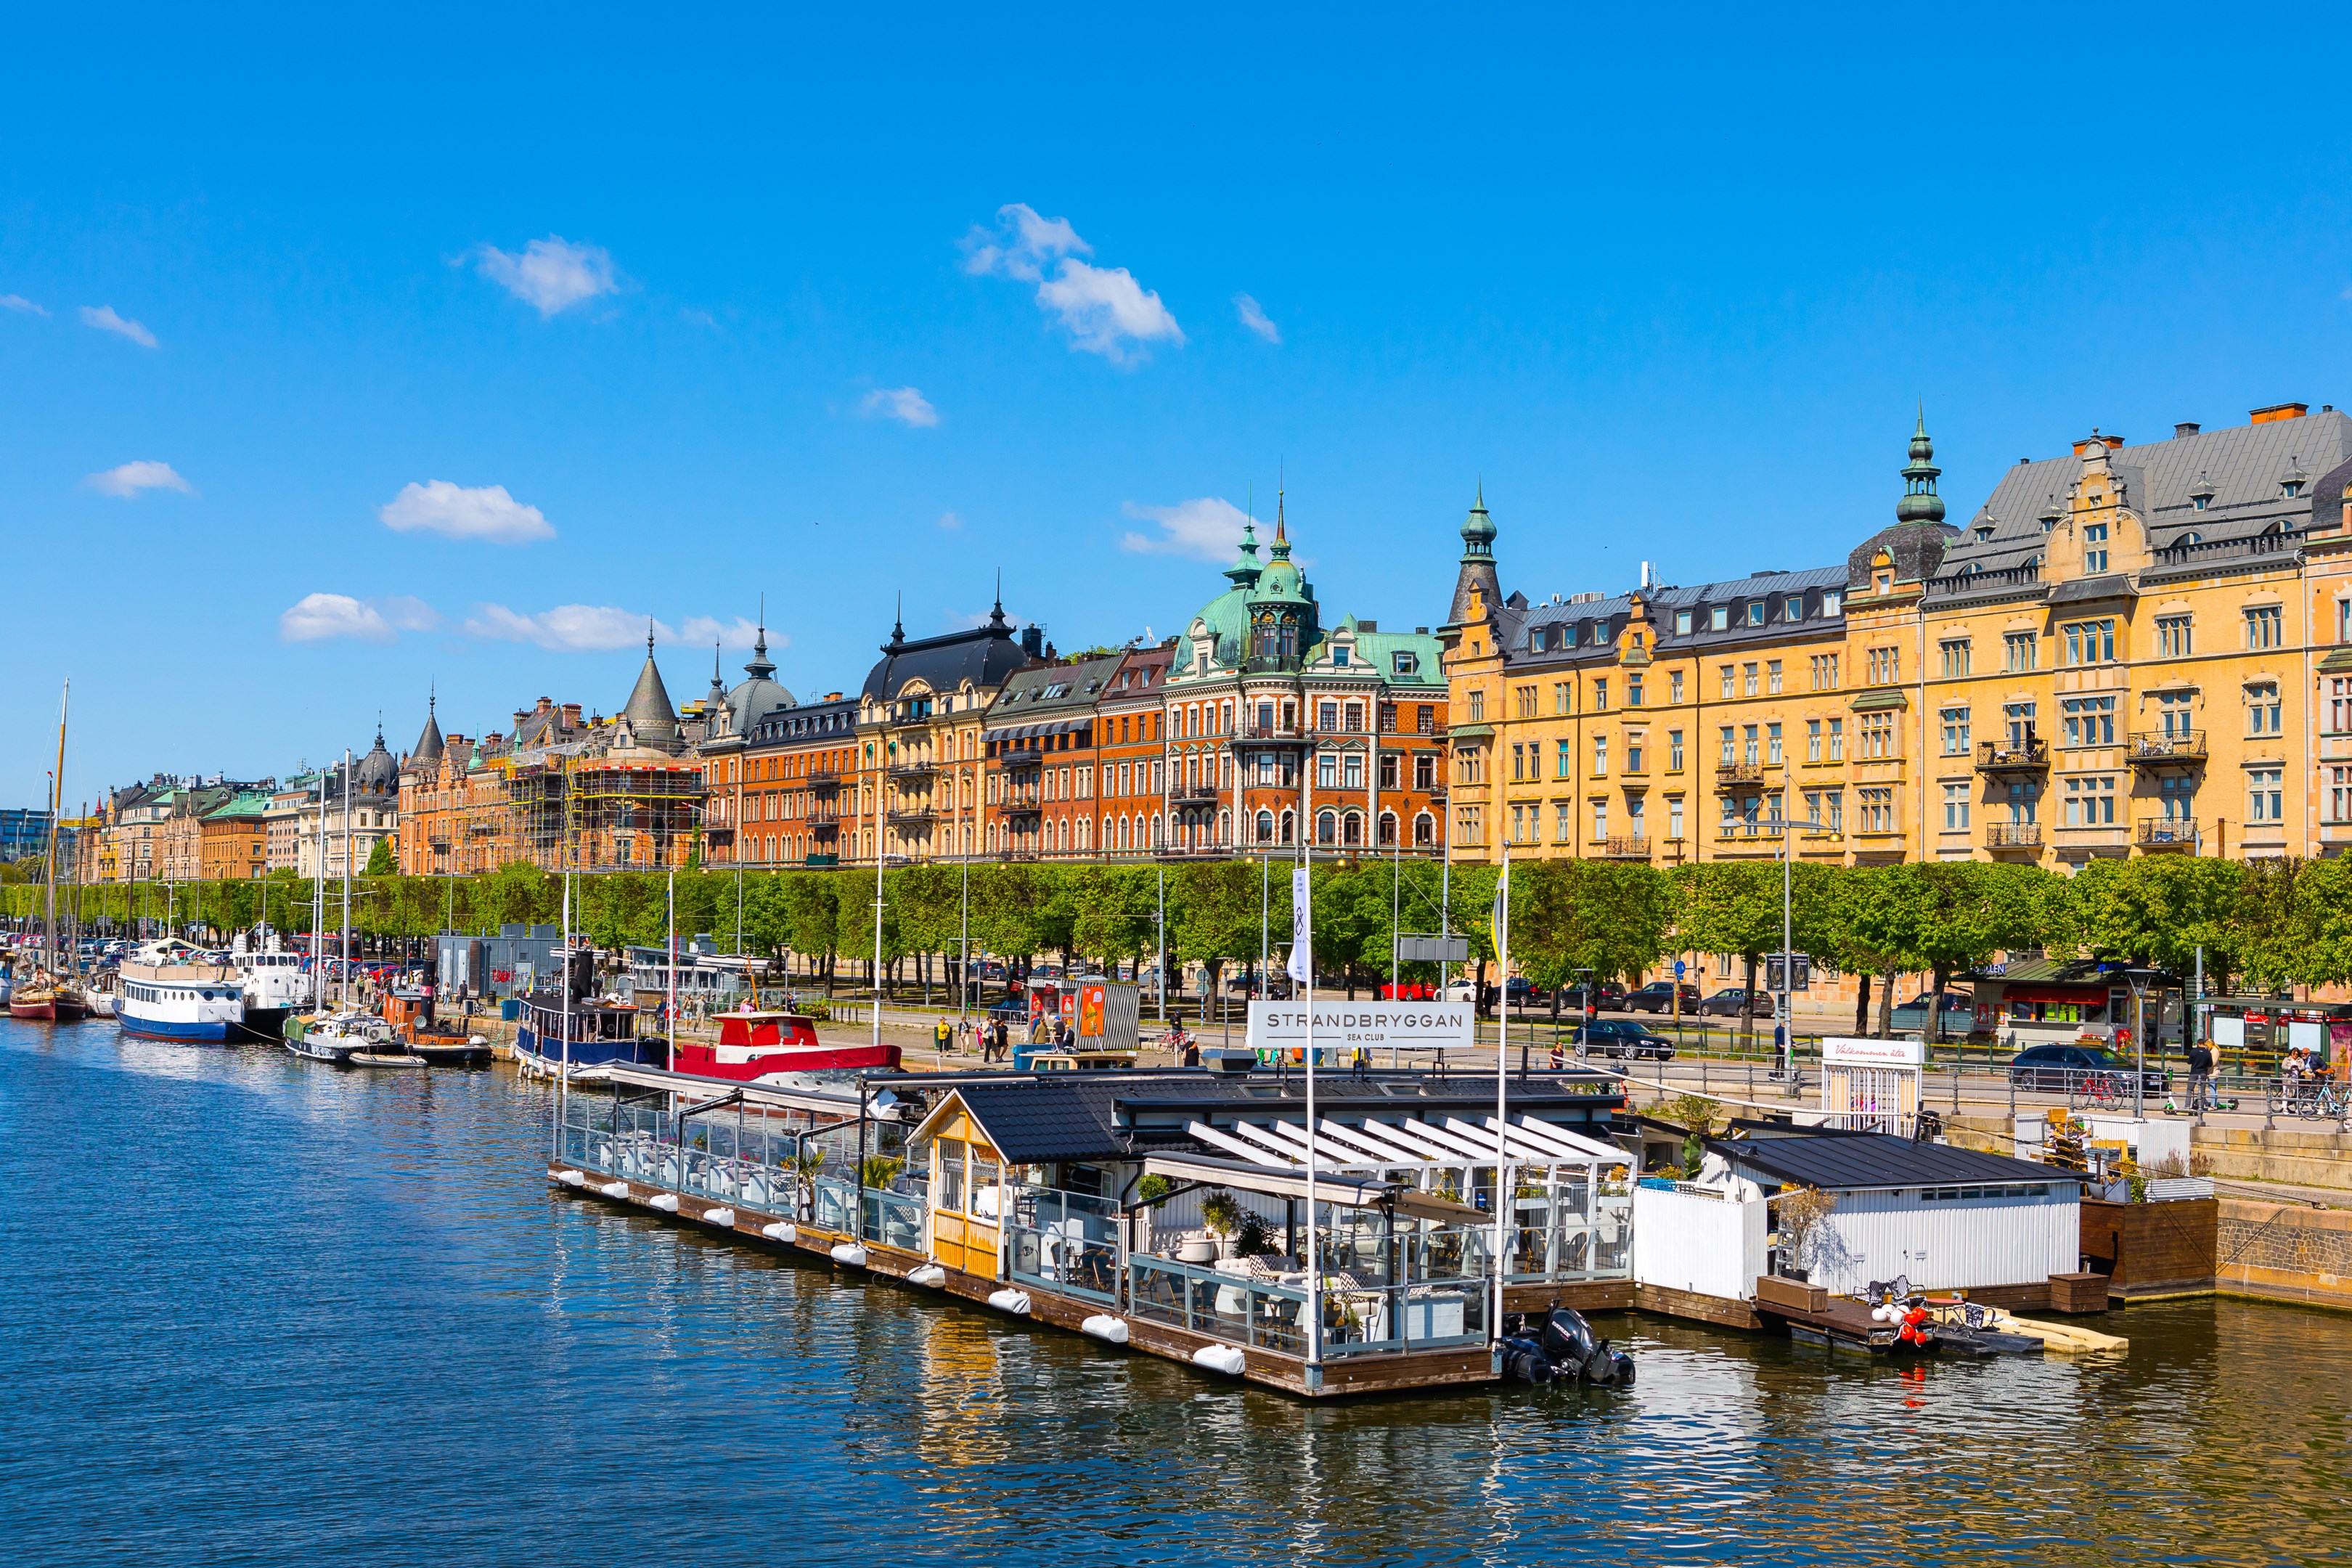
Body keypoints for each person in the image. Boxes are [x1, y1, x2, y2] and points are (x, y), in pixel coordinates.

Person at [2186, 1037, 2215, 1114]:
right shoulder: (2207, 1053)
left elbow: (2189, 1062)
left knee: (2190, 1089)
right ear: (2204, 1044)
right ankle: (2201, 1107)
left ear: (2198, 1044)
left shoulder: (2193, 1051)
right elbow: (2210, 1064)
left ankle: (2187, 1106)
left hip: (2194, 1072)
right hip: (2203, 1073)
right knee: (2202, 1091)